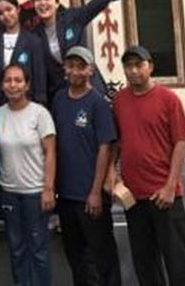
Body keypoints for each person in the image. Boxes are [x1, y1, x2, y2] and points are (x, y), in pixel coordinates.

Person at [111, 45, 185, 286]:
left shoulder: (168, 100)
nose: (133, 71)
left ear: (150, 67)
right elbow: (117, 143)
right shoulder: (119, 101)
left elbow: (181, 142)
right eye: (128, 66)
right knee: (145, 263)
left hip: (164, 196)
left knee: (178, 262)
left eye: (139, 65)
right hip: (133, 197)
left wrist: (170, 187)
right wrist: (113, 174)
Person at [51, 47, 121, 286]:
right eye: (70, 66)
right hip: (66, 195)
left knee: (102, 256)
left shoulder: (98, 103)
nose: (75, 71)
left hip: (90, 195)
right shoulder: (59, 99)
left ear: (90, 70)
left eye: (80, 67)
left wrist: (95, 192)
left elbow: (105, 147)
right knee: (76, 257)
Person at [35, 0, 147, 102]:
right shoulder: (34, 34)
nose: (42, 3)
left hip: (89, 86)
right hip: (61, 95)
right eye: (38, 0)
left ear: (57, 3)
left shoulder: (71, 18)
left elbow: (95, 5)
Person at [0, 64, 57, 286]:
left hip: (35, 193)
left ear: (27, 85)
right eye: (8, 80)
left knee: (38, 248)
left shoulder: (40, 114)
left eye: (18, 80)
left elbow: (50, 152)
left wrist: (48, 189)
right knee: (16, 248)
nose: (13, 85)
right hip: (9, 192)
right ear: (2, 85)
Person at [0, 0, 46, 107]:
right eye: (0, 13)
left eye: (9, 9)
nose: (6, 15)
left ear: (18, 9)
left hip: (27, 102)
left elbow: (39, 76)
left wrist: (40, 103)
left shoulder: (33, 41)